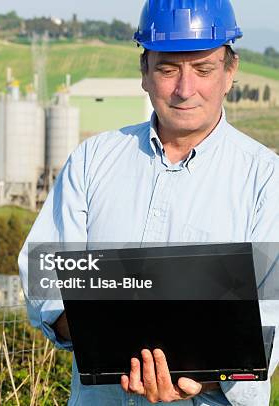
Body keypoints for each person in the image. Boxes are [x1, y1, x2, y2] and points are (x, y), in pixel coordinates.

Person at [17, 0, 279, 404]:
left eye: (203, 69)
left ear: (231, 72)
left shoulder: (266, 180)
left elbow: (272, 318)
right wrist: (101, 339)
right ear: (144, 72)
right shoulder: (92, 161)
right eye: (167, 68)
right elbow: (44, 271)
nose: (184, 89)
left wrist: (201, 376)